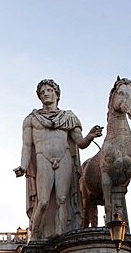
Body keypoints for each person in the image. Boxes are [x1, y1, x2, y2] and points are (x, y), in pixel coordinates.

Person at [14, 79, 102, 238]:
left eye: (49, 90)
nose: (46, 94)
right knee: (43, 201)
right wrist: (23, 166)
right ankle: (35, 236)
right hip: (43, 159)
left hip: (64, 158)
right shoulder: (31, 119)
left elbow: (80, 143)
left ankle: (61, 237)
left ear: (57, 94)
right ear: (39, 97)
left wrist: (90, 135)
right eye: (42, 92)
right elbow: (27, 146)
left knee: (63, 199)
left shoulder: (68, 117)